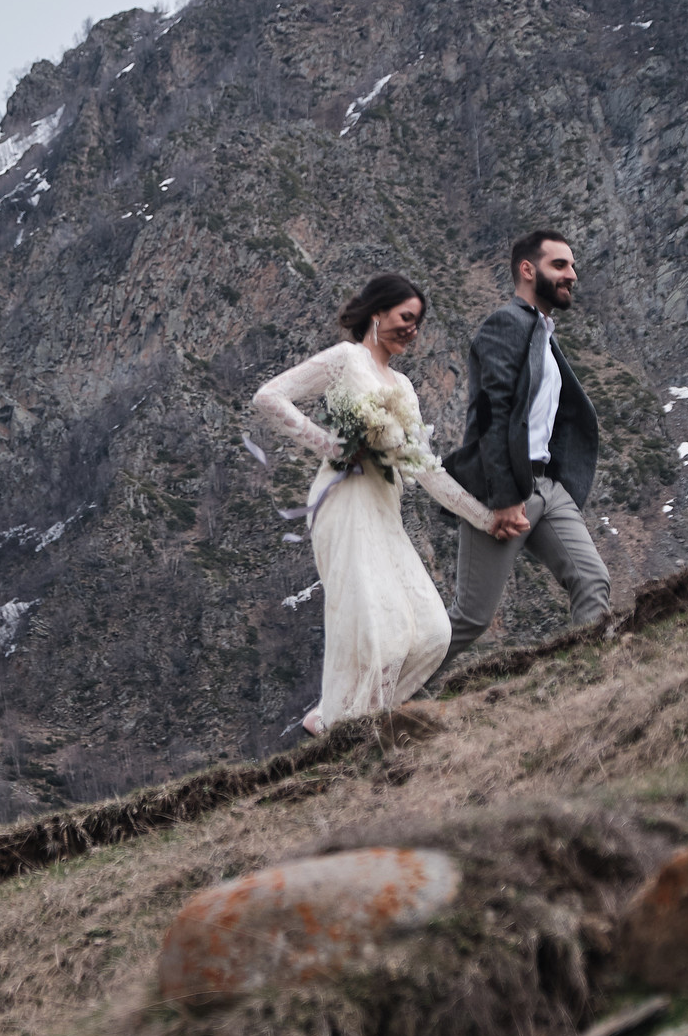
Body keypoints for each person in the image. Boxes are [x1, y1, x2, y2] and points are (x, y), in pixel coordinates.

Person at [253, 273, 499, 733]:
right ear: (378, 313)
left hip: (385, 508)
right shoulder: (346, 360)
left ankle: (338, 722)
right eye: (406, 317)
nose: (413, 329)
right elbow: (269, 396)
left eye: (419, 322)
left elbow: (424, 467)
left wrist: (485, 519)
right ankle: (361, 739)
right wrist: (332, 445)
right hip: (344, 501)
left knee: (431, 633)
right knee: (383, 638)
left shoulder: (404, 387)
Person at [440, 231, 612, 667]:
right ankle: (378, 701)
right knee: (471, 618)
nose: (572, 275)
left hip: (548, 488)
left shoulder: (543, 333)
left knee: (592, 580)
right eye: (560, 265)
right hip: (507, 490)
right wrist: (505, 498)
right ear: (528, 270)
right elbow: (492, 416)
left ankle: (586, 681)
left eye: (572, 266)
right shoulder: (506, 324)